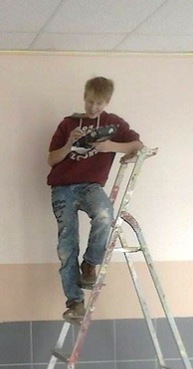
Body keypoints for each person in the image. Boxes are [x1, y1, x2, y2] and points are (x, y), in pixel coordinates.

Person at [47, 77, 143, 324]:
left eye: (98, 104)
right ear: (84, 97)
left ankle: (90, 264)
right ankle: (75, 303)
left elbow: (138, 145)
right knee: (67, 246)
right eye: (89, 102)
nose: (92, 108)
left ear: (107, 102)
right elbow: (52, 160)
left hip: (91, 185)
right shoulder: (69, 123)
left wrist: (111, 145)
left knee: (104, 214)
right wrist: (70, 143)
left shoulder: (113, 124)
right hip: (63, 187)